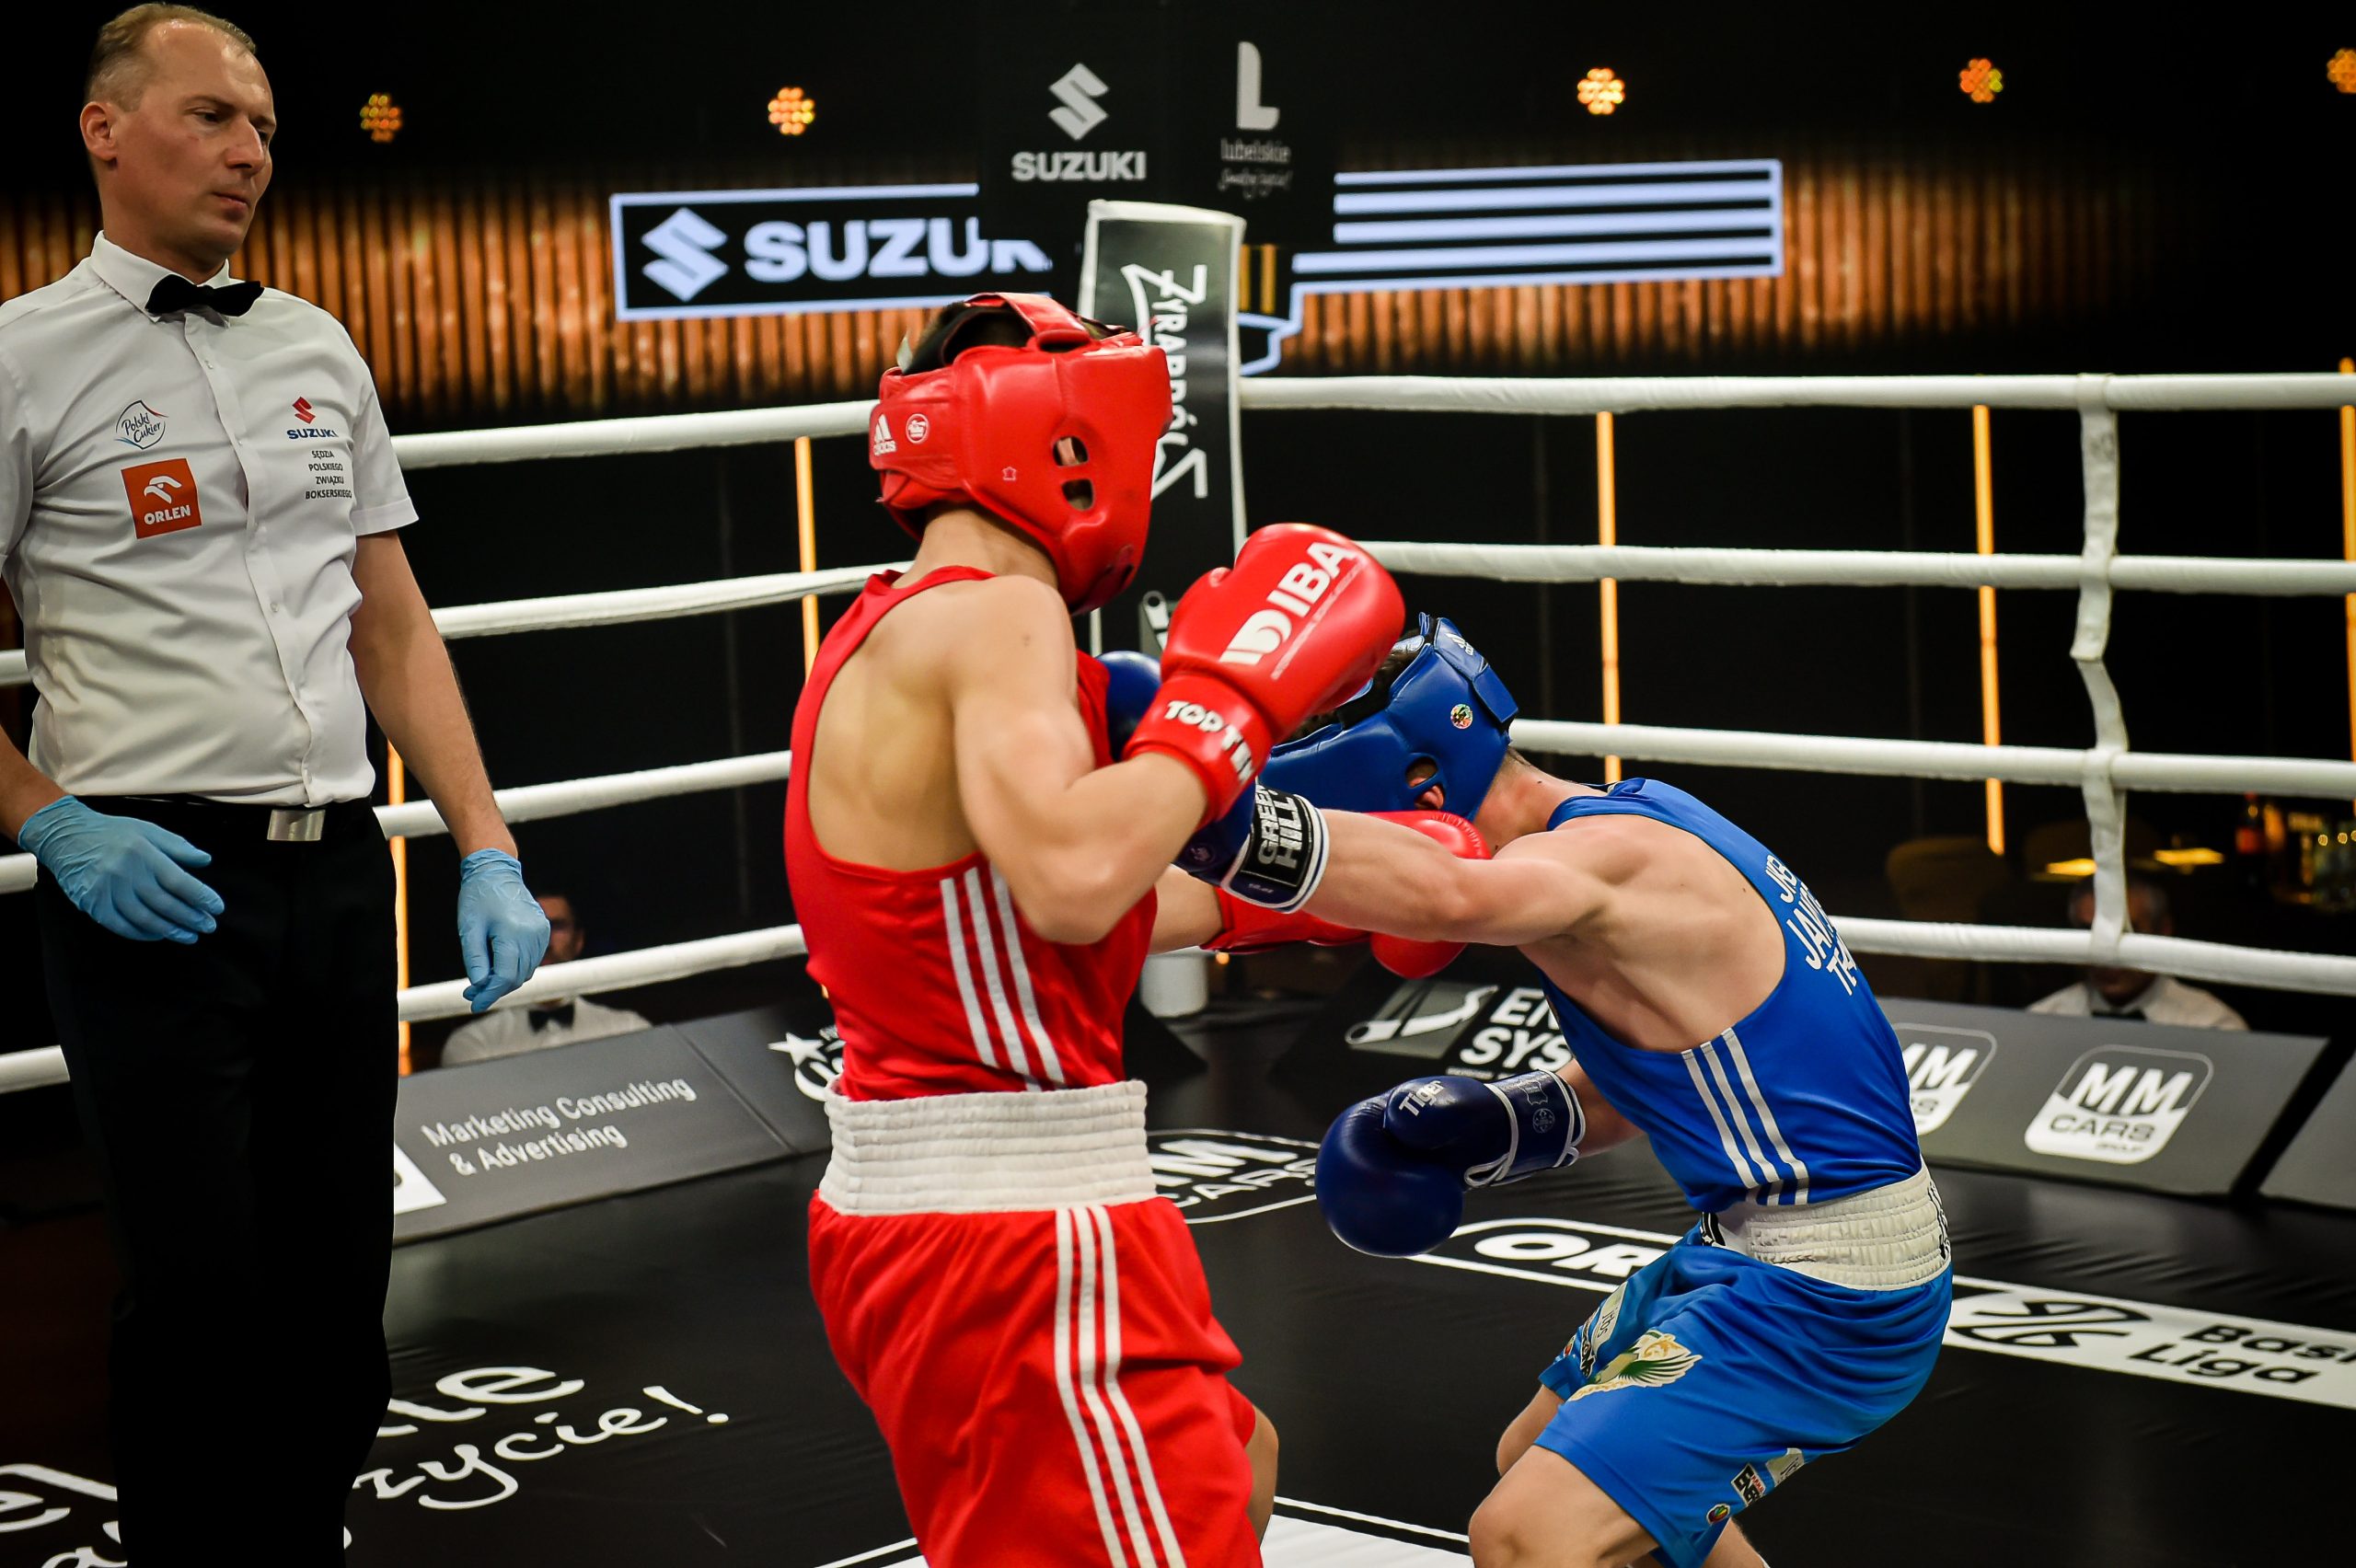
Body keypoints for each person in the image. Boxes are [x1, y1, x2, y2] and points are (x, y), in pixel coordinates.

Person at [0, 7, 548, 1555]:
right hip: (149, 881)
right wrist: (51, 819)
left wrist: (487, 843)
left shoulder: (316, 343)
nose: (248, 151)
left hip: (336, 873)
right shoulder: (18, 359)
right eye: (210, 115)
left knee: (336, 1293)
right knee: (196, 1301)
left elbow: (389, 615)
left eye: (263, 127)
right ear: (106, 130)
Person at [789, 290, 1407, 1566]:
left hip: (932, 1216)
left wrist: (1321, 885)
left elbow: (1034, 918)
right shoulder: (998, 614)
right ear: (1071, 444)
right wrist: (1229, 706)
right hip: (1018, 1235)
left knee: (1237, 1460)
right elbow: (1074, 882)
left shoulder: (884, 627)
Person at [1284, 618, 1949, 1568]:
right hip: (1757, 1246)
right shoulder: (1629, 818)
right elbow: (1672, 1075)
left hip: (1830, 1284)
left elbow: (1445, 899)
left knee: (1527, 1536)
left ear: (1420, 790)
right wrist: (1502, 1122)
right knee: (1532, 1463)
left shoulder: (1595, 863)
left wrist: (1218, 828)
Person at [443, 891, 653, 1063]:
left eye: (557, 926)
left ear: (578, 940)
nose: (545, 940)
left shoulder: (629, 1029)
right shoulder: (474, 1043)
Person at [2029, 876, 2246, 1028]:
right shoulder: (2041, 1022)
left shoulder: (2211, 1026)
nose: (2107, 954)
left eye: (2125, 933)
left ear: (2163, 930)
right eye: (2090, 933)